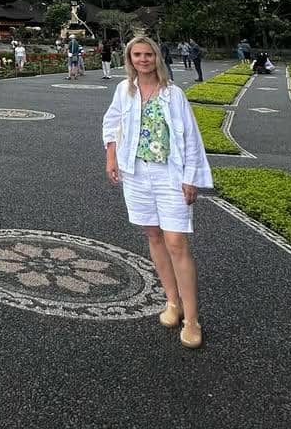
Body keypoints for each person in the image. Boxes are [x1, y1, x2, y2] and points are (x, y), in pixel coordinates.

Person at [102, 35, 212, 349]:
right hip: (136, 173)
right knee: (153, 235)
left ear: (157, 58)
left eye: (148, 54)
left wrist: (191, 177)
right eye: (137, 54)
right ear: (130, 59)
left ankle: (191, 318)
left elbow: (190, 136)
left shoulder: (173, 93)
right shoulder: (124, 90)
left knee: (176, 242)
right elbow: (111, 123)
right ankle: (172, 302)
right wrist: (111, 156)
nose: (143, 59)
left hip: (170, 174)